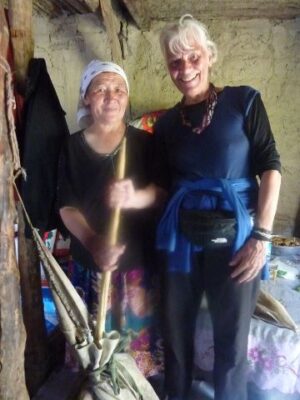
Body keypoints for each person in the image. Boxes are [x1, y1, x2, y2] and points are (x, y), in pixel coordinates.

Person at [108, 14, 282, 400]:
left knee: (231, 342)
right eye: (174, 61)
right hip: (180, 241)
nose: (184, 69)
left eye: (192, 57)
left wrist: (262, 236)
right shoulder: (167, 124)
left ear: (209, 56)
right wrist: (131, 197)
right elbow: (161, 189)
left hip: (238, 239)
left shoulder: (244, 101)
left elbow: (271, 167)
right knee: (175, 333)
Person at [57, 60, 163, 377]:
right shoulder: (71, 146)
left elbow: (162, 193)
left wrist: (134, 197)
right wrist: (93, 242)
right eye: (100, 89)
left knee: (133, 360)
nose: (111, 96)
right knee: (91, 356)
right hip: (89, 263)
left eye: (118, 89)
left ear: (127, 97)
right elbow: (66, 205)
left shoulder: (145, 143)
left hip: (135, 265)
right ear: (86, 97)